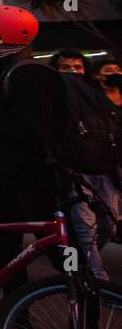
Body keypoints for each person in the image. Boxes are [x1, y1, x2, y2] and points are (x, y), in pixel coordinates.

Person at [0, 5, 63, 313]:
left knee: (58, 255)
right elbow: (19, 118)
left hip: (31, 177)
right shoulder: (11, 71)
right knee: (6, 244)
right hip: (17, 175)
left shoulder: (25, 75)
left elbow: (35, 130)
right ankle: (17, 317)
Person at [51, 52, 119, 279]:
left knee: (108, 225)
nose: (73, 71)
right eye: (66, 67)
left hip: (103, 169)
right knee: (84, 227)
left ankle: (80, 262)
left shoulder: (94, 96)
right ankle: (95, 277)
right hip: (75, 171)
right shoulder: (56, 96)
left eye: (77, 67)